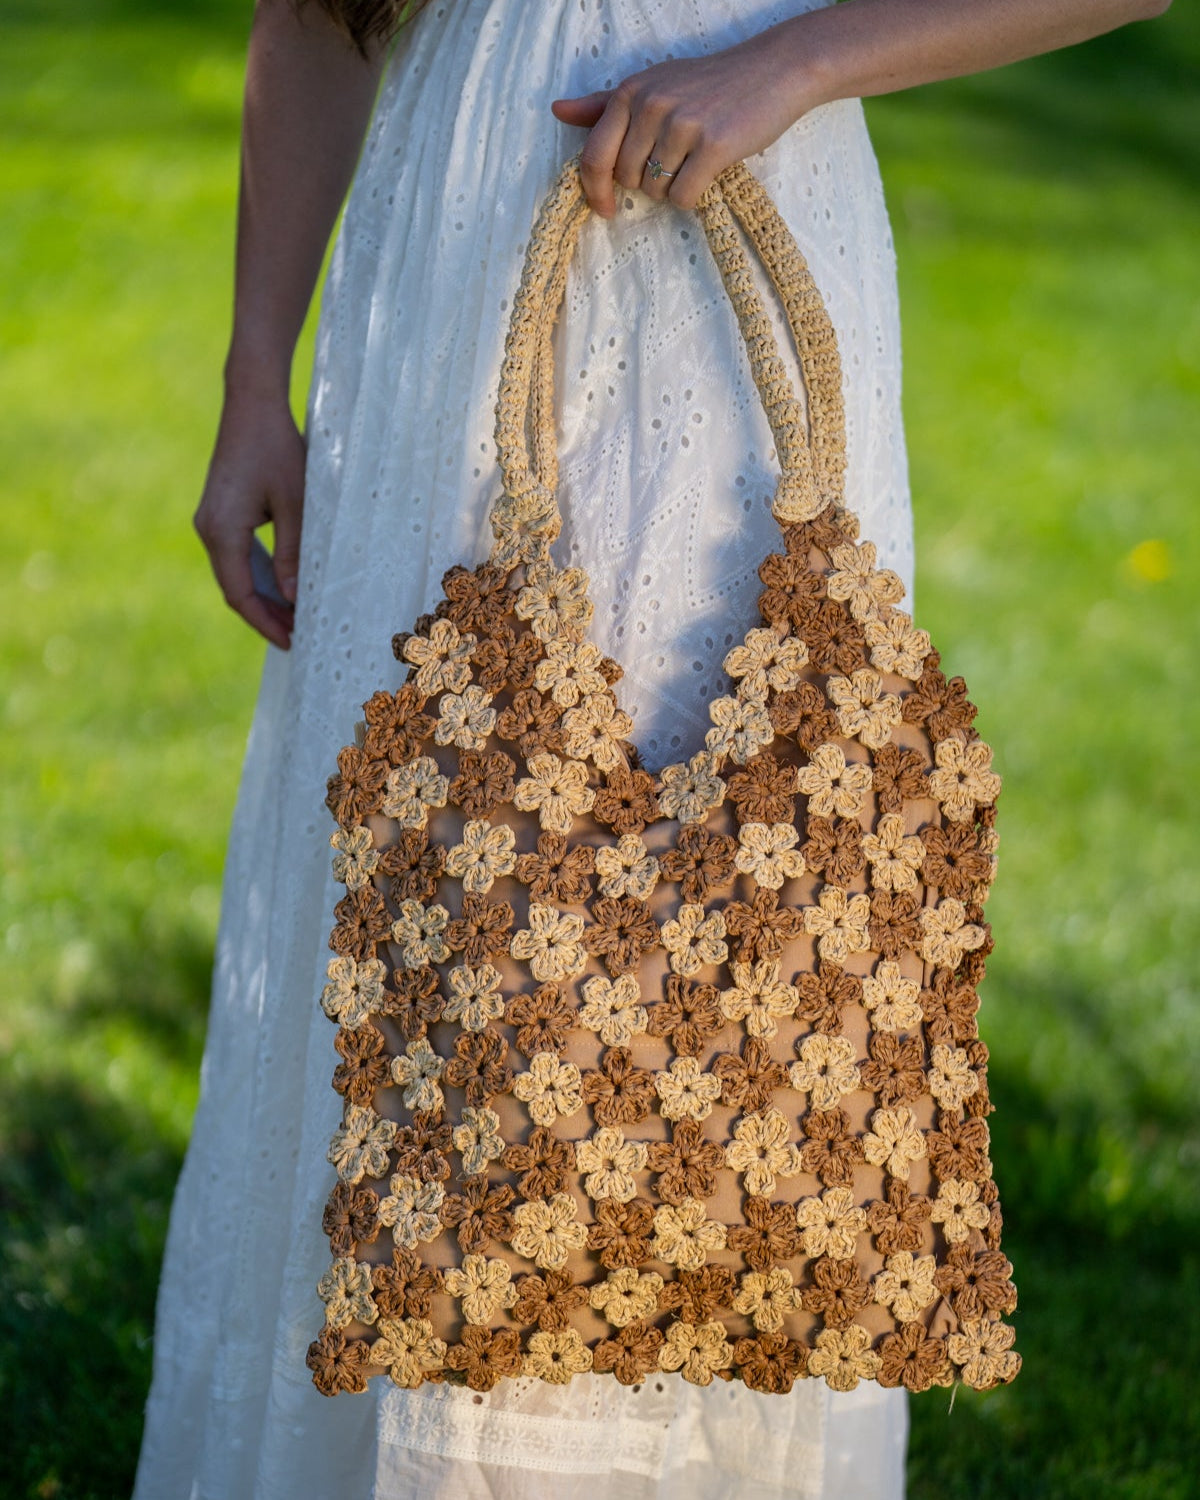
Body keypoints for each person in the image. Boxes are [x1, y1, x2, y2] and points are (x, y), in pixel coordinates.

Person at [133, 1, 1168, 1496]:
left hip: (720, 257)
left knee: (704, 965)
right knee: (446, 913)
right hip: (441, 267)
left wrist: (793, 63)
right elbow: (312, 14)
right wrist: (253, 378)